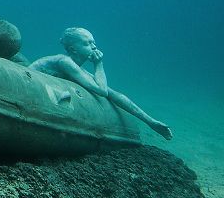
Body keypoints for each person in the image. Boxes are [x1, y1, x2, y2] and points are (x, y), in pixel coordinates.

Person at [30, 28, 172, 140]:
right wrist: (99, 65)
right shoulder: (64, 62)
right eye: (87, 43)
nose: (94, 46)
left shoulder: (78, 69)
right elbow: (102, 91)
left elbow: (112, 94)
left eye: (93, 42)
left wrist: (151, 122)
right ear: (73, 49)